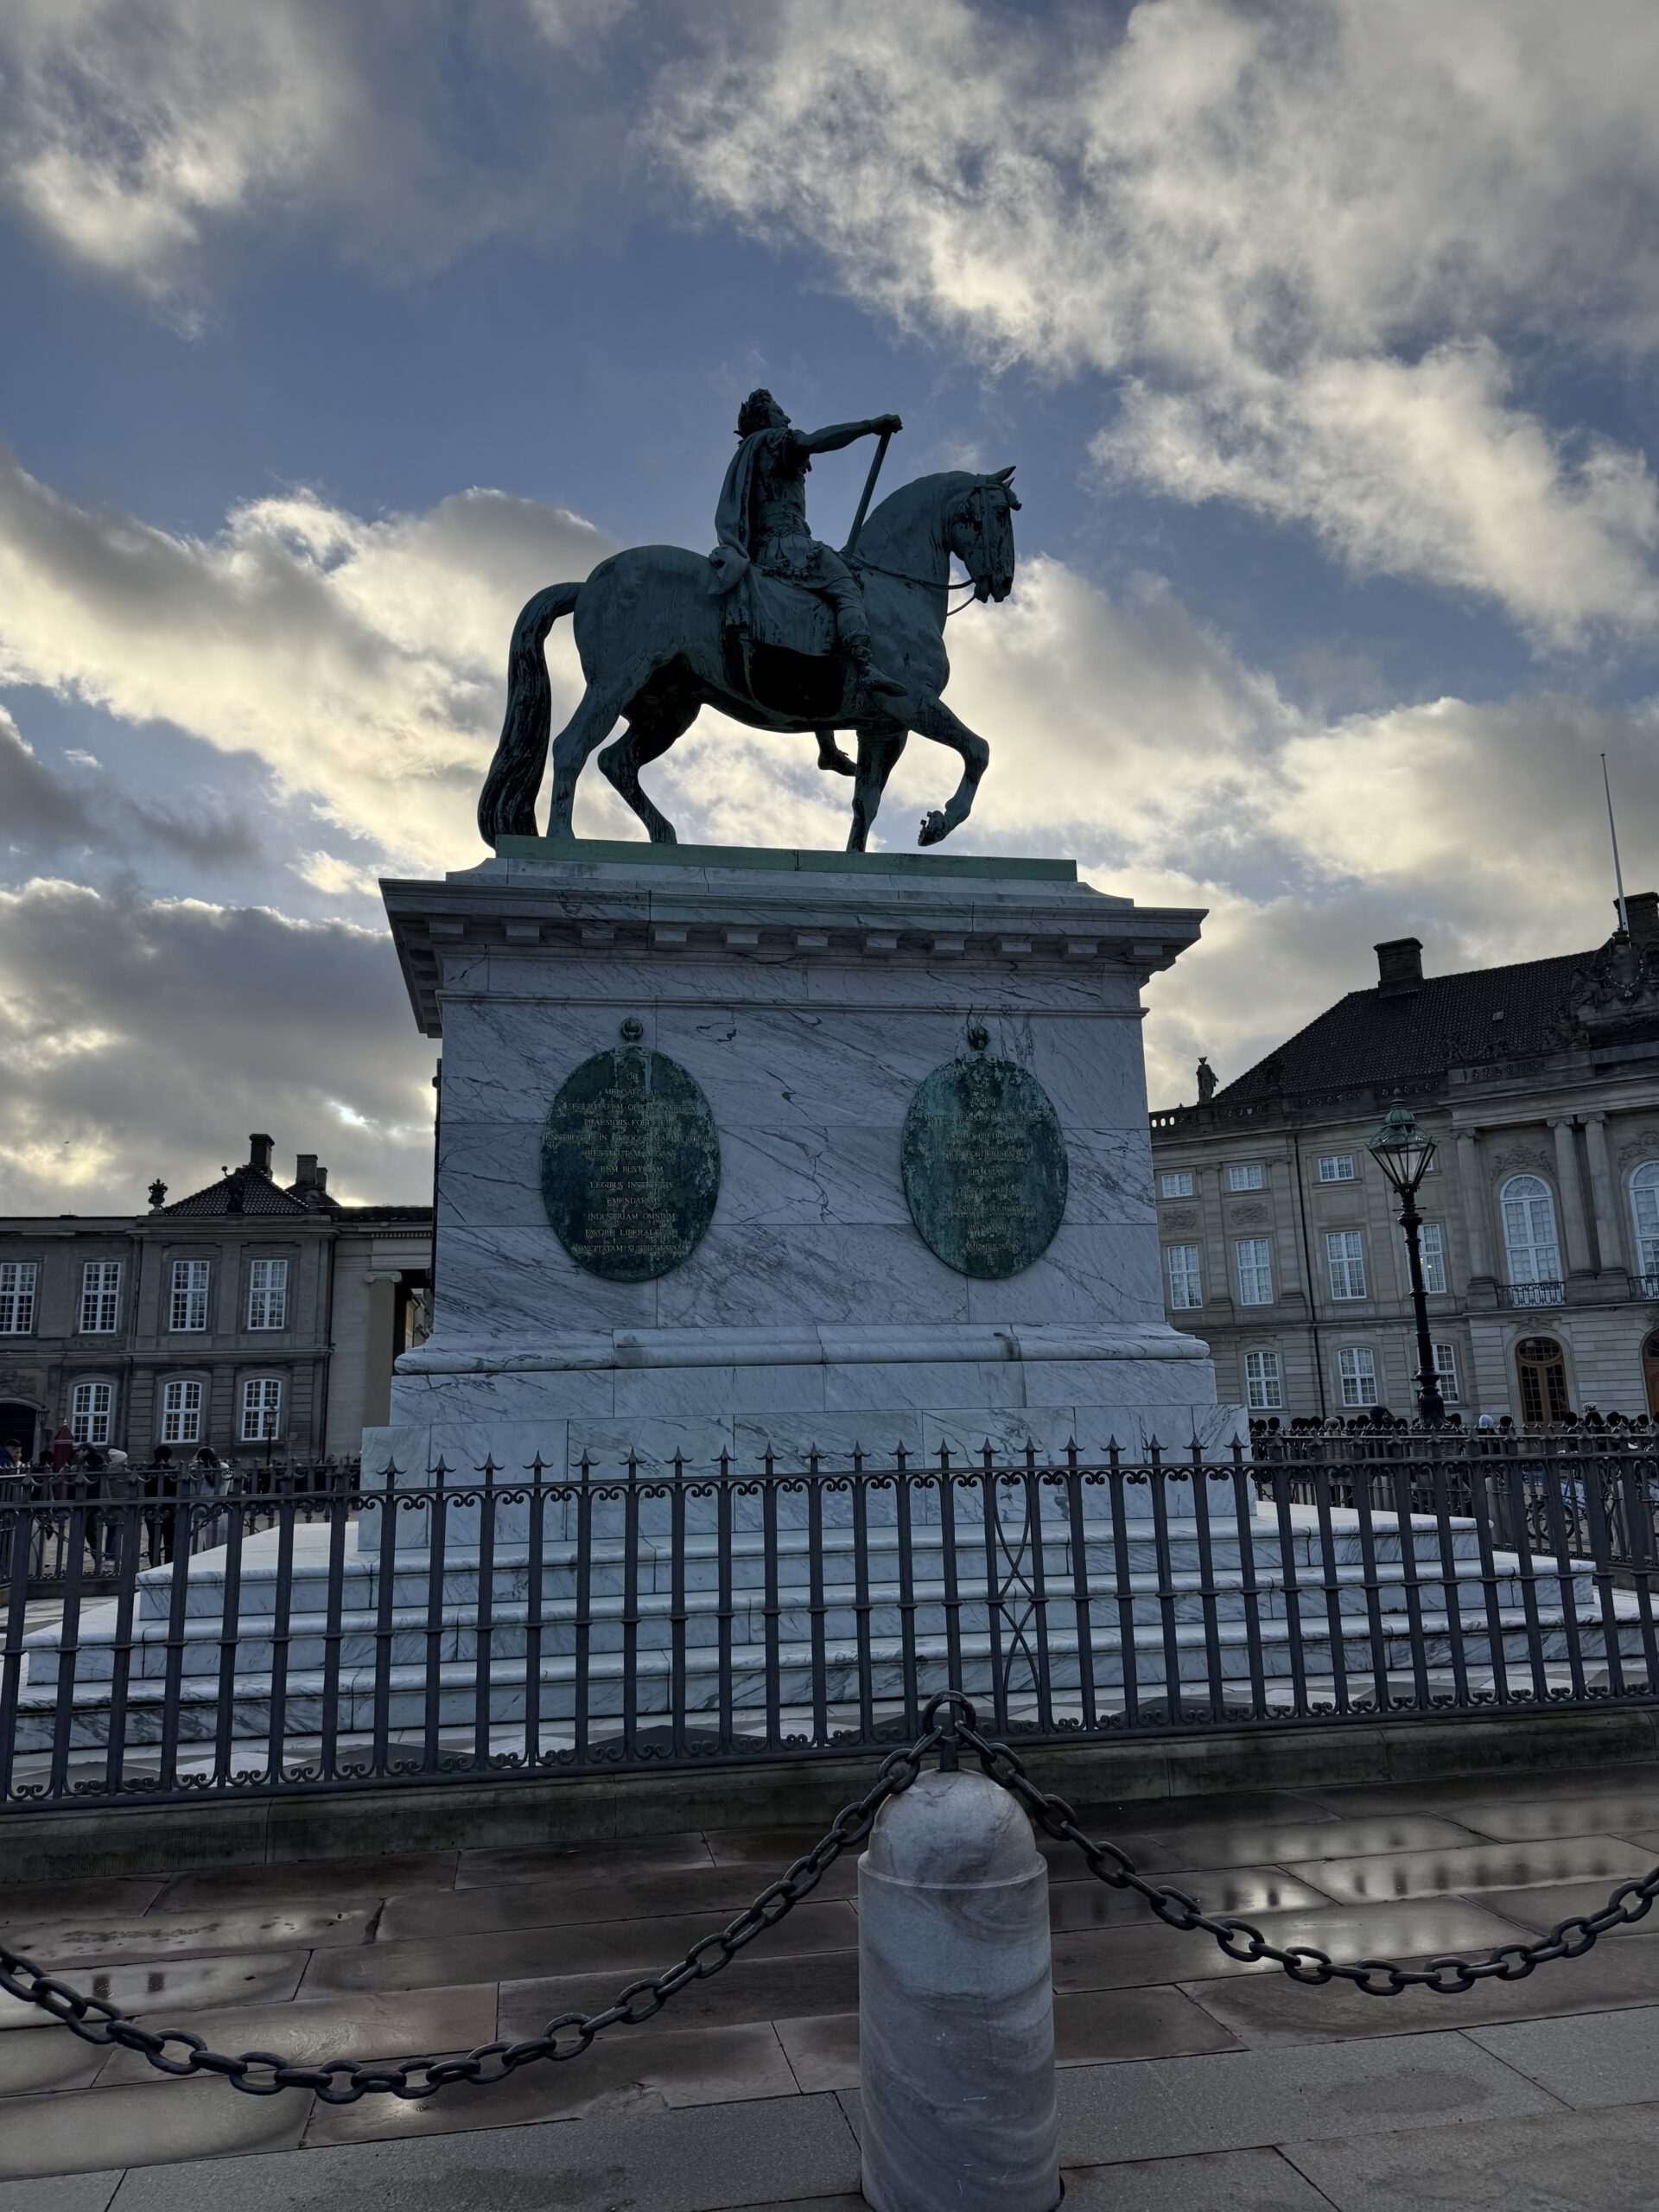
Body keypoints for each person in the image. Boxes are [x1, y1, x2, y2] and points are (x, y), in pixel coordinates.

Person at [711, 390, 909, 712]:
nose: (787, 418)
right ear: (765, 419)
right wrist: (870, 426)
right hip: (788, 545)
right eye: (780, 412)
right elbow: (815, 442)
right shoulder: (774, 441)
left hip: (766, 546)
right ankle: (864, 666)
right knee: (846, 586)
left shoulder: (753, 452)